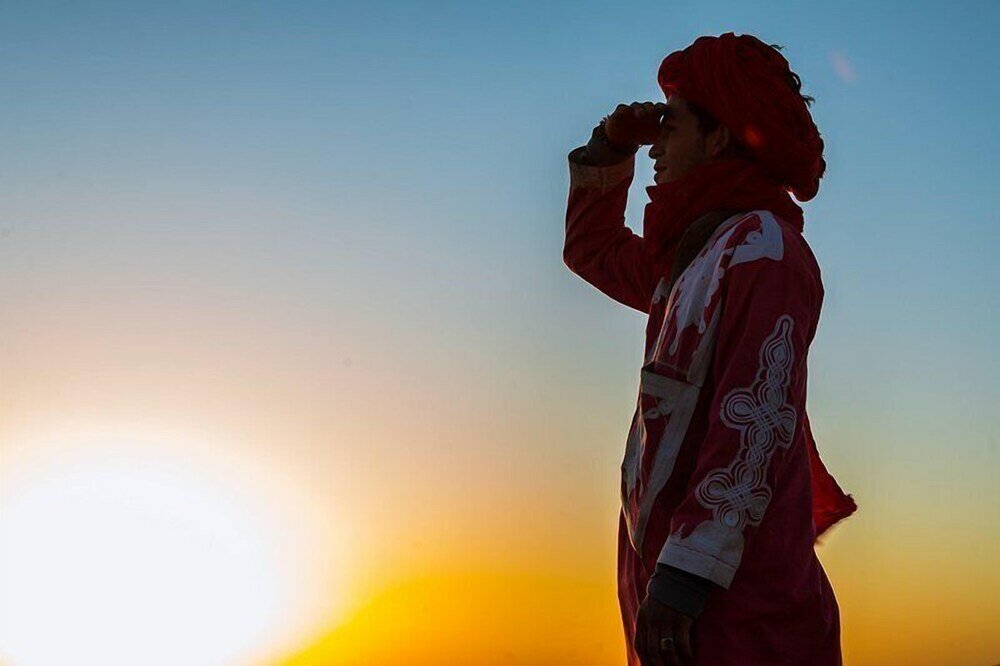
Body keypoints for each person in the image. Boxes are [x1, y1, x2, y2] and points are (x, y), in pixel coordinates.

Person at [562, 33, 857, 665]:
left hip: (740, 617)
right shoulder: (692, 258)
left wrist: (686, 577)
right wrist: (611, 146)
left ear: (719, 137)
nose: (657, 147)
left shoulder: (763, 250)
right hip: (679, 603)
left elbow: (756, 413)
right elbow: (591, 252)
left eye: (673, 126)